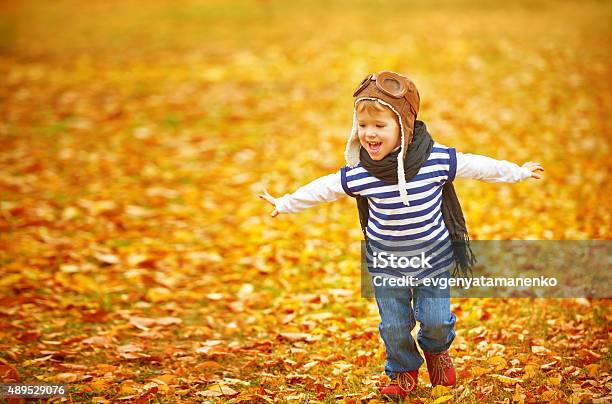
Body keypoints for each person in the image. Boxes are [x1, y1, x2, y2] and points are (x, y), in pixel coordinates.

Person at [258, 71, 543, 399]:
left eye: (380, 126)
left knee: (436, 321)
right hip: (386, 264)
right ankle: (402, 371)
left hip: (432, 260)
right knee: (393, 327)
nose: (369, 134)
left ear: (404, 127)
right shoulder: (362, 173)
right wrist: (286, 203)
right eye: (363, 126)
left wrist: (517, 172)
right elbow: (324, 188)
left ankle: (436, 351)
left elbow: (477, 166)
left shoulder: (435, 161)